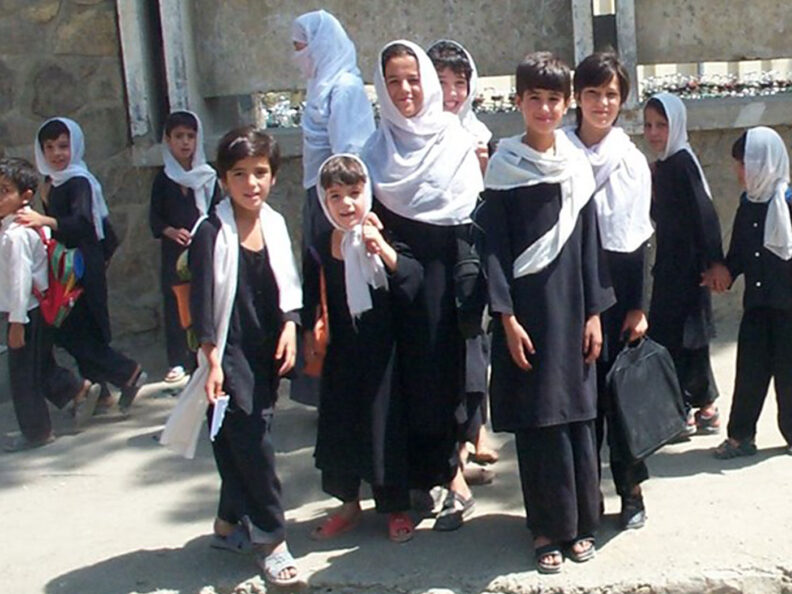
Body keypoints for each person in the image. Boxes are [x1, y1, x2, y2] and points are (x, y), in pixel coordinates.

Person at [476, 51, 615, 574]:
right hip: (527, 318)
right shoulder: (504, 168)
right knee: (540, 423)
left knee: (578, 417)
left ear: (566, 104)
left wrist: (596, 312)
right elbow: (493, 251)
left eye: (554, 99)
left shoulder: (575, 165)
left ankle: (582, 523)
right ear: (518, 102)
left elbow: (589, 246)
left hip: (574, 311)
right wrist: (505, 317)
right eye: (533, 98)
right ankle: (544, 529)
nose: (544, 107)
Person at [363, 40, 483, 531]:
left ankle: (452, 471)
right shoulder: (374, 150)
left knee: (443, 376)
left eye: (413, 79)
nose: (406, 90)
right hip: (391, 281)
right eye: (394, 81)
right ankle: (415, 475)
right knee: (403, 381)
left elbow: (468, 217)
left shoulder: (454, 141)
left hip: (440, 280)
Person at [186, 127, 302, 586]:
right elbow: (200, 306)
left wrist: (292, 326)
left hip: (265, 347)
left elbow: (287, 282)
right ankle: (271, 540)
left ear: (273, 176)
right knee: (253, 441)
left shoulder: (273, 222)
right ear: (223, 178)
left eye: (260, 173)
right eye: (240, 174)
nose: (251, 183)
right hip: (228, 351)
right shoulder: (211, 232)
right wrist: (211, 359)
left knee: (239, 438)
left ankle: (227, 524)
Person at [305, 154, 423, 543]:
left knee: (383, 428)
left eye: (354, 193)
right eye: (335, 195)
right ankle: (347, 504)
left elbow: (412, 281)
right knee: (340, 428)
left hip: (383, 356)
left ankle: (394, 507)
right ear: (324, 200)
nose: (346, 204)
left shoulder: (382, 233)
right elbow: (311, 299)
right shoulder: (322, 244)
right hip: (341, 356)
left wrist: (383, 252)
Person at [567, 52, 654, 530]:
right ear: (577, 98)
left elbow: (639, 236)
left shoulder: (631, 161)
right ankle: (583, 498)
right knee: (579, 405)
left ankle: (632, 491)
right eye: (593, 93)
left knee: (619, 401)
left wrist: (638, 306)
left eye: (612, 95)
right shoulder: (555, 153)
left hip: (617, 295)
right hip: (567, 294)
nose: (602, 103)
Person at [19, 117, 145, 413]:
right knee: (75, 330)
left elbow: (84, 224)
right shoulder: (52, 182)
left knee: (77, 331)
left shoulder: (79, 181)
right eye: (49, 147)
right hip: (67, 268)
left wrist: (44, 220)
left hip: (81, 267)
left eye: (63, 146)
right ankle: (105, 389)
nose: (56, 153)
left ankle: (126, 373)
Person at [290, 9, 375, 407]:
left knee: (338, 293)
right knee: (319, 292)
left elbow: (349, 157)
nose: (298, 55)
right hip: (318, 201)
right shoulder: (321, 87)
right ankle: (322, 385)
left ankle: (345, 387)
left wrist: (343, 211)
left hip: (335, 205)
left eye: (301, 46)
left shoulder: (344, 90)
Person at [426, 39, 498, 480]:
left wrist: (485, 167)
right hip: (432, 249)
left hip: (471, 247)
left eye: (460, 83)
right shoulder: (413, 134)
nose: (452, 93)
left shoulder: (479, 136)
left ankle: (477, 427)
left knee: (476, 337)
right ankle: (456, 442)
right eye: (442, 83)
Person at [702, 127, 792, 459]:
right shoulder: (749, 203)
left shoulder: (787, 203)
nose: (738, 171)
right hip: (757, 306)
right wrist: (723, 271)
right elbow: (740, 252)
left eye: (743, 163)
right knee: (750, 373)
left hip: (788, 309)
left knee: (789, 375)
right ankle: (741, 437)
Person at [1, 157, 100, 452]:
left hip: (27, 311)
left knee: (23, 376)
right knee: (40, 365)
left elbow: (19, 282)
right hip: (35, 310)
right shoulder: (19, 225)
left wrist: (17, 323)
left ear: (25, 196)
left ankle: (36, 432)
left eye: (5, 190)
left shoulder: (17, 235)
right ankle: (77, 390)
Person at [643, 93, 723, 435]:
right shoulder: (669, 162)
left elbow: (706, 217)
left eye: (662, 125)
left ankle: (682, 413)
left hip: (686, 270)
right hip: (675, 266)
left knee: (674, 338)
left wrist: (714, 263)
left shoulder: (680, 164)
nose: (654, 132)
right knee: (689, 339)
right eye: (648, 125)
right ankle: (704, 407)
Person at [150, 110, 221, 383]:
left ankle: (204, 352)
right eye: (178, 136)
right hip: (174, 252)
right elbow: (155, 218)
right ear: (168, 140)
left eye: (190, 136)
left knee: (204, 298)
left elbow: (218, 213)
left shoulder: (208, 176)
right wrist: (170, 232)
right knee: (176, 303)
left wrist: (205, 234)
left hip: (204, 250)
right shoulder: (163, 179)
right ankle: (178, 359)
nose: (185, 143)